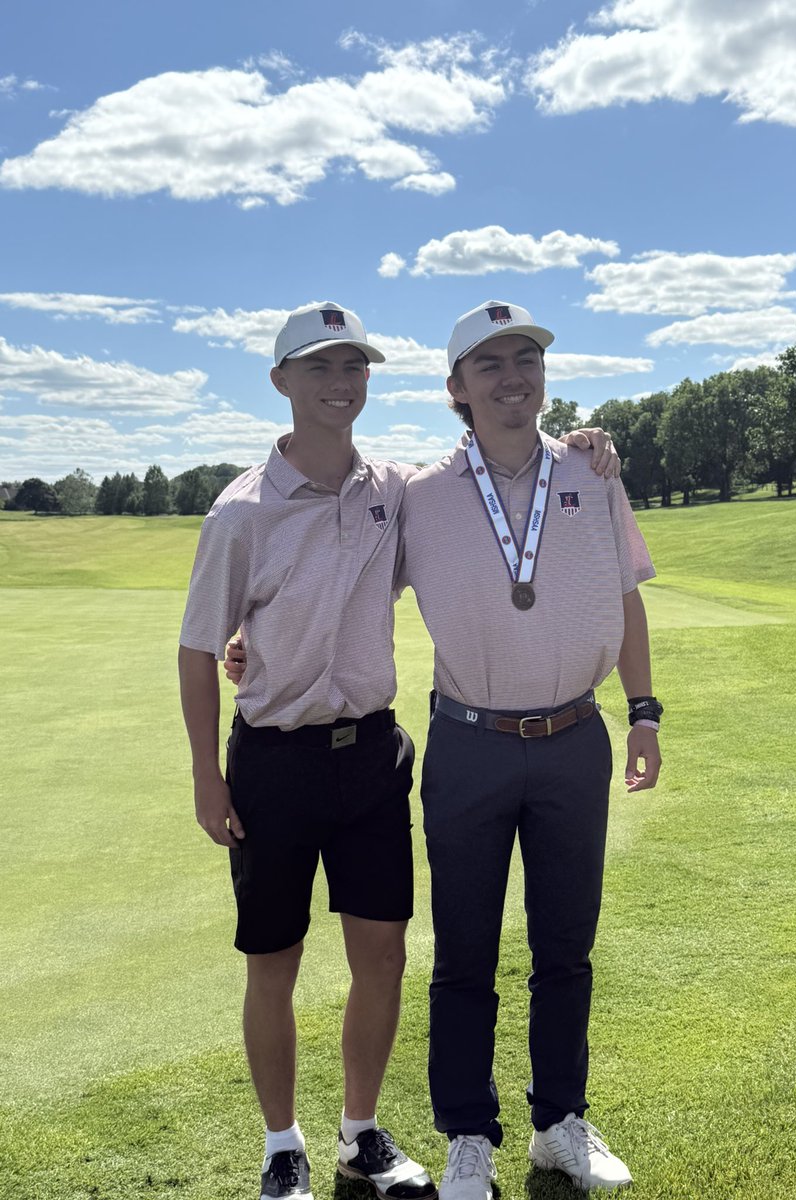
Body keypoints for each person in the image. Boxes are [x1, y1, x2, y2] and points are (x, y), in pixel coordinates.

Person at [180, 300, 618, 1200]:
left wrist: (589, 444)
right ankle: (281, 1148)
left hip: (374, 755)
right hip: (271, 757)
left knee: (382, 955)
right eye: (319, 369)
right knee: (276, 959)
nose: (341, 385)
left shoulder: (393, 491)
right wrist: (204, 771)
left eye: (354, 368)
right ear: (282, 383)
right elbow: (199, 647)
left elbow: (494, 503)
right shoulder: (240, 512)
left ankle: (361, 1135)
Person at [397, 300, 662, 1199]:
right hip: (468, 743)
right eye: (491, 365)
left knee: (566, 947)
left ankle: (559, 1124)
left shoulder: (592, 472)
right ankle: (469, 1134)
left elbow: (626, 598)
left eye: (528, 360)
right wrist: (255, 647)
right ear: (457, 391)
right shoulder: (420, 497)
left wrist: (645, 711)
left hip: (572, 739)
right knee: (465, 951)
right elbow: (351, 584)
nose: (515, 378)